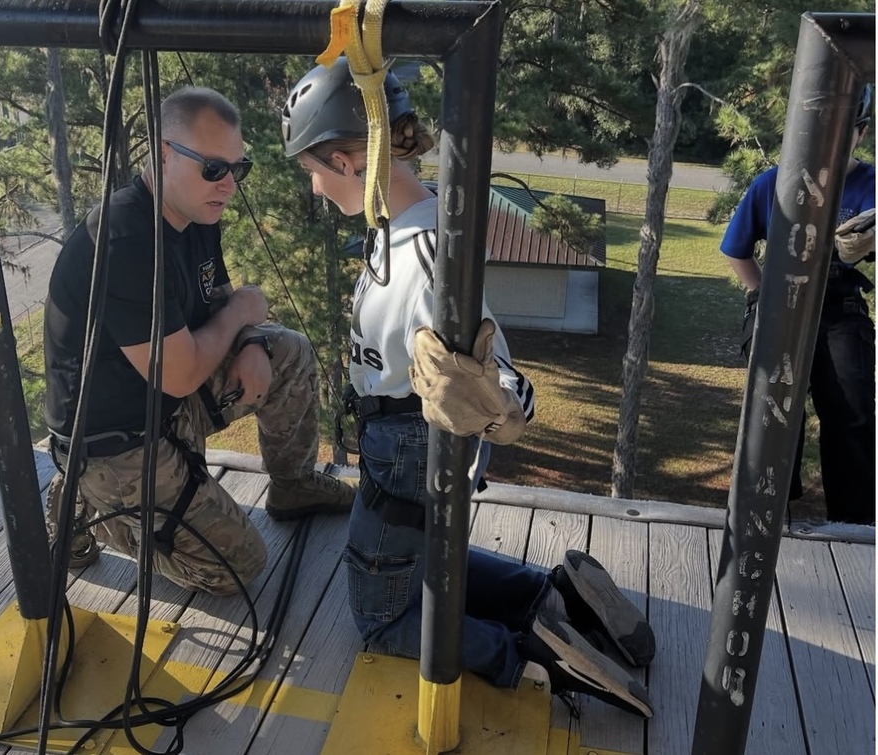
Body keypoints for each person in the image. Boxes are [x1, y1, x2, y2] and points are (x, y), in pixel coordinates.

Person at [280, 59, 655, 717]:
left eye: (312, 171)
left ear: (346, 159)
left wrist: (504, 399)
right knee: (416, 564)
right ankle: (552, 595)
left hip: (406, 451)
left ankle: (534, 655)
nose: (313, 189)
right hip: (397, 444)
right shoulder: (405, 225)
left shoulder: (428, 257)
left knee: (382, 617)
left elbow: (494, 367)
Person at [43, 86, 356, 595]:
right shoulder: (126, 239)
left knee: (288, 351)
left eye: (238, 169)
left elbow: (220, 302)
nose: (229, 184)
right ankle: (92, 509)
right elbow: (184, 370)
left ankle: (293, 487)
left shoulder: (195, 212)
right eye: (214, 168)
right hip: (117, 443)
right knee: (237, 567)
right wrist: (239, 314)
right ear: (164, 153)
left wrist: (252, 339)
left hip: (167, 404)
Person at [722, 84, 876, 525]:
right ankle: (766, 515)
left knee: (852, 413)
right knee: (771, 413)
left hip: (839, 310)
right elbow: (737, 250)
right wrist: (761, 297)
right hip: (779, 304)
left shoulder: (872, 187)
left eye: (844, 130)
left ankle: (854, 526)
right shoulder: (773, 181)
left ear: (861, 134)